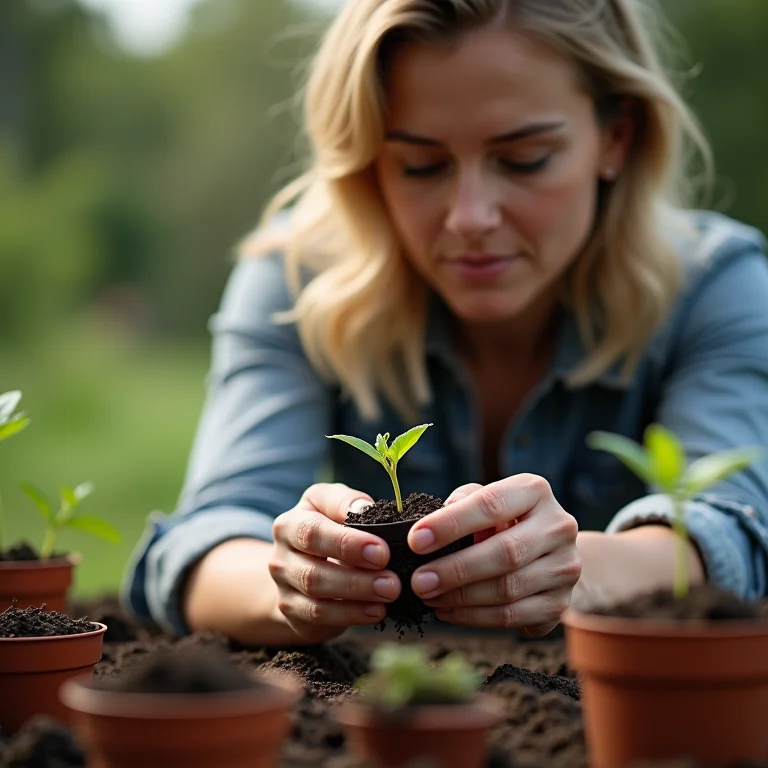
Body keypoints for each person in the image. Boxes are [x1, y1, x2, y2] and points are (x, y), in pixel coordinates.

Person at [121, 0, 768, 647]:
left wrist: (585, 573)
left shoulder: (714, 286)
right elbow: (203, 541)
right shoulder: (298, 282)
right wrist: (294, 578)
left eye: (524, 158)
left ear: (616, 137)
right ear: (372, 161)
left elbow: (734, 525)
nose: (470, 216)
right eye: (422, 166)